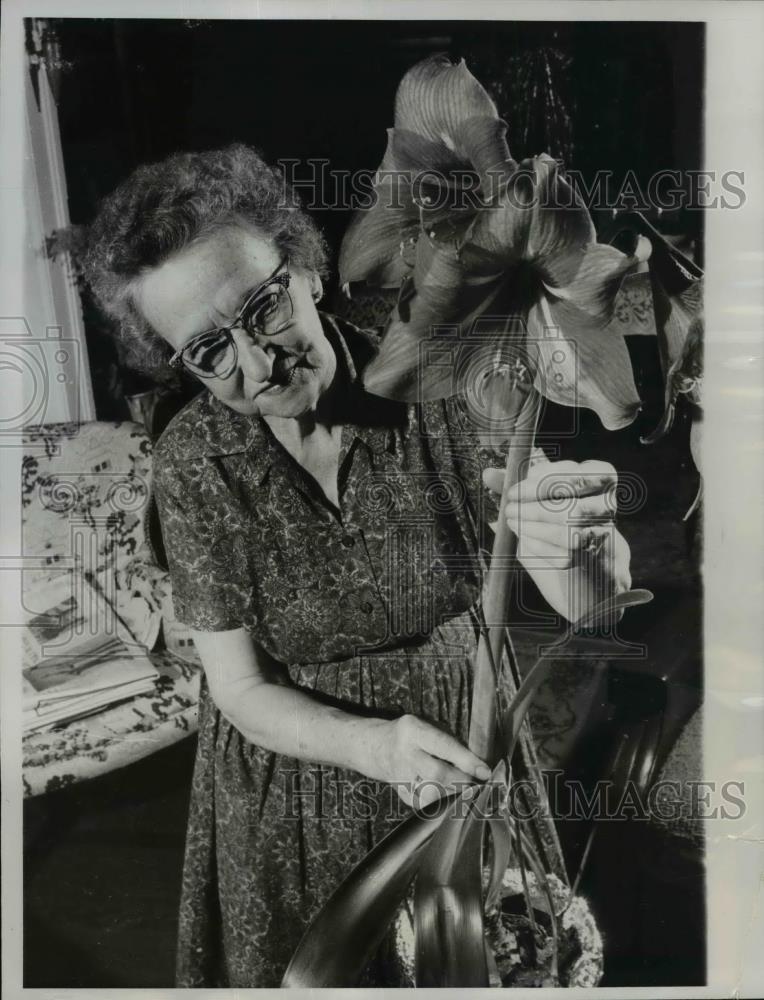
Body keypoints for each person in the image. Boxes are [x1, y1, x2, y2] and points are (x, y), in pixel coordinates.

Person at [85, 143, 631, 988]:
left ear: (306, 269)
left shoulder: (438, 379)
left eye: (265, 309)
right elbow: (235, 688)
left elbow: (593, 604)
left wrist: (580, 552)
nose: (259, 365)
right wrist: (373, 747)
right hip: (296, 789)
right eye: (208, 352)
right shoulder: (195, 462)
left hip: (466, 740)